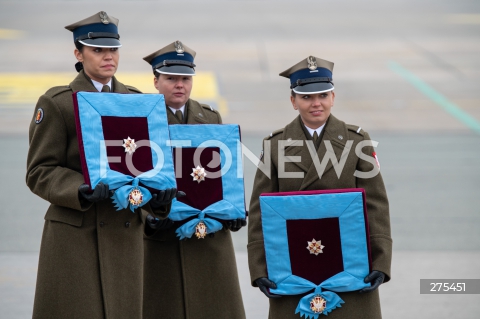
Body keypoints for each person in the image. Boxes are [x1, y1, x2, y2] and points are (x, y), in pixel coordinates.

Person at [26, 12, 175, 319]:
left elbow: (149, 164)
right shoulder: (58, 103)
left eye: (114, 49)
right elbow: (39, 171)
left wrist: (158, 199)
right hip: (76, 236)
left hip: (124, 235)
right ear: (78, 54)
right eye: (98, 50)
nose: (109, 57)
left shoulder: (136, 101)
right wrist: (79, 189)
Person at [247, 56, 392, 319]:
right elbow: (259, 210)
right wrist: (260, 268)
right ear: (293, 101)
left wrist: (381, 261)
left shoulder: (357, 141)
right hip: (294, 267)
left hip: (349, 266)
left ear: (333, 97)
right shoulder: (275, 145)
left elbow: (376, 203)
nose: (316, 103)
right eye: (306, 97)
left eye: (323, 95)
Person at [142, 41, 246, 319]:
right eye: (171, 79)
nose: (180, 85)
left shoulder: (209, 118)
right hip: (162, 241)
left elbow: (221, 176)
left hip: (209, 242)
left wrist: (231, 211)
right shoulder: (141, 120)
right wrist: (147, 219)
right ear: (155, 81)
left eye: (186, 79)